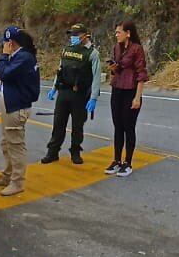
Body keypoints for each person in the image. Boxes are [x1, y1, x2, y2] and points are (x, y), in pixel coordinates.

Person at [0, 26, 40, 196]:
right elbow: (10, 75)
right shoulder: (19, 56)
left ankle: (17, 182)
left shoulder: (24, 57)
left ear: (10, 42)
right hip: (9, 102)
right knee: (6, 142)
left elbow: (6, 73)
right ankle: (7, 174)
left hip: (16, 106)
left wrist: (3, 57)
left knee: (15, 144)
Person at [42, 23, 101, 165]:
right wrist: (54, 88)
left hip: (80, 95)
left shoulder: (92, 53)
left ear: (85, 36)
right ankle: (52, 152)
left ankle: (75, 152)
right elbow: (60, 70)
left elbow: (96, 77)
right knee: (58, 124)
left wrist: (93, 98)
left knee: (77, 126)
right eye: (71, 35)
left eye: (76, 35)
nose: (73, 38)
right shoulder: (66, 50)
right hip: (63, 92)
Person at [106, 21, 149, 177]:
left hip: (130, 90)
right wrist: (113, 68)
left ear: (128, 33)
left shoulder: (137, 49)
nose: (116, 35)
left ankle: (128, 162)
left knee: (128, 127)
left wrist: (137, 97)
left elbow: (141, 74)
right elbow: (117, 69)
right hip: (117, 88)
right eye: (116, 32)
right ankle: (116, 160)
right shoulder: (116, 47)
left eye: (119, 32)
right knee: (117, 126)